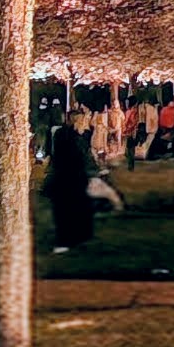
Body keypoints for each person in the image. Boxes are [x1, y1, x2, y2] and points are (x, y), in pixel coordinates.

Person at [42, 107, 102, 253]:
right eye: (81, 120)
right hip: (67, 179)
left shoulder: (76, 136)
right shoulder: (65, 135)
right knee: (67, 210)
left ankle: (78, 237)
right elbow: (71, 157)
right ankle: (67, 239)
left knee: (76, 209)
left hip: (74, 179)